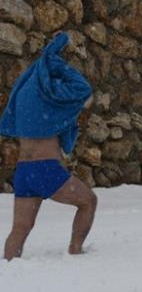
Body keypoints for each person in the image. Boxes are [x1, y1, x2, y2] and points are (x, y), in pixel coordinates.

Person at [1, 31, 98, 260]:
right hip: (45, 169)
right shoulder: (51, 94)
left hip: (23, 171)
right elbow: (82, 88)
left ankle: (7, 266)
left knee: (20, 229)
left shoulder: (24, 93)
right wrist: (59, 62)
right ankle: (75, 251)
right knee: (88, 202)